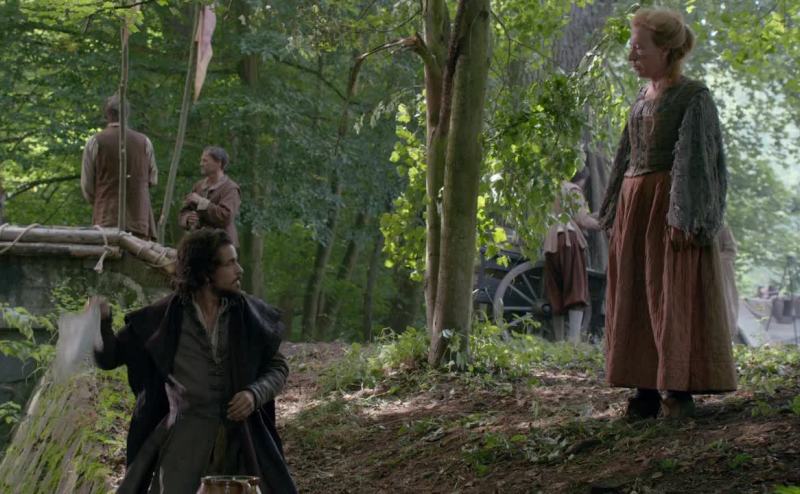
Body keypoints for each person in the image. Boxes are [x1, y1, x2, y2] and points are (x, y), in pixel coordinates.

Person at [599, 7, 736, 419]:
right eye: (631, 47)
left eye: (640, 48)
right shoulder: (643, 97)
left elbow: (700, 161)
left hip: (669, 206)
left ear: (666, 51)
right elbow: (625, 155)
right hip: (635, 206)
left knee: (669, 292)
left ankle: (677, 389)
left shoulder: (692, 96)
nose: (632, 55)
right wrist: (613, 208)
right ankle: (643, 389)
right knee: (637, 294)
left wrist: (684, 215)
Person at [93, 228, 296, 493]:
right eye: (230, 263)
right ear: (205, 273)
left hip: (242, 441)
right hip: (183, 445)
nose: (239, 270)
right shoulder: (162, 319)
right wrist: (101, 323)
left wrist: (254, 394)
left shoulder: (248, 315)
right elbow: (109, 358)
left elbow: (278, 367)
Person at [81, 94, 158, 239]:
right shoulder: (144, 142)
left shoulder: (95, 141)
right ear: (127, 114)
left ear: (107, 114)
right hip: (139, 219)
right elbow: (152, 180)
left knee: (107, 252)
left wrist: (101, 201)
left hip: (106, 219)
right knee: (139, 253)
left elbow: (87, 185)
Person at [543, 167, 601, 343]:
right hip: (568, 240)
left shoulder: (554, 189)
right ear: (582, 179)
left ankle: (559, 341)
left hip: (551, 242)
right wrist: (603, 224)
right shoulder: (573, 190)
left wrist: (593, 216)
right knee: (576, 286)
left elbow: (574, 215)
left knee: (556, 291)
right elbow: (582, 220)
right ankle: (573, 341)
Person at [178, 146, 241, 247]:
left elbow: (225, 217)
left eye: (205, 161)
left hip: (222, 246)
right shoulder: (198, 186)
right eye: (201, 160)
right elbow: (184, 211)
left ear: (219, 163)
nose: (201, 164)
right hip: (199, 243)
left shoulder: (230, 188)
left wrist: (201, 202)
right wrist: (188, 218)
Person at [718, 225, 739, 340]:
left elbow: (731, 252)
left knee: (725, 301)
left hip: (721, 271)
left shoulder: (723, 228)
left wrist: (714, 258)